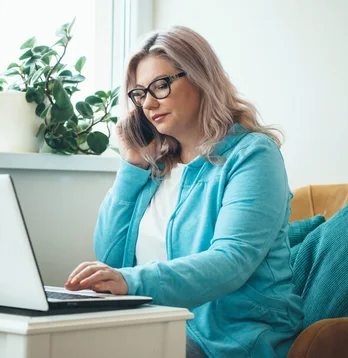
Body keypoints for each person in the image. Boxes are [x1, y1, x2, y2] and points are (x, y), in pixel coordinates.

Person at [64, 26, 303, 358]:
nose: (148, 103)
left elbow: (231, 261)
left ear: (201, 78)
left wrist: (133, 283)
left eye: (160, 86)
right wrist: (131, 166)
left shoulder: (253, 156)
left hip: (227, 339)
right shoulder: (155, 166)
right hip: (154, 327)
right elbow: (111, 260)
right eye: (138, 94)